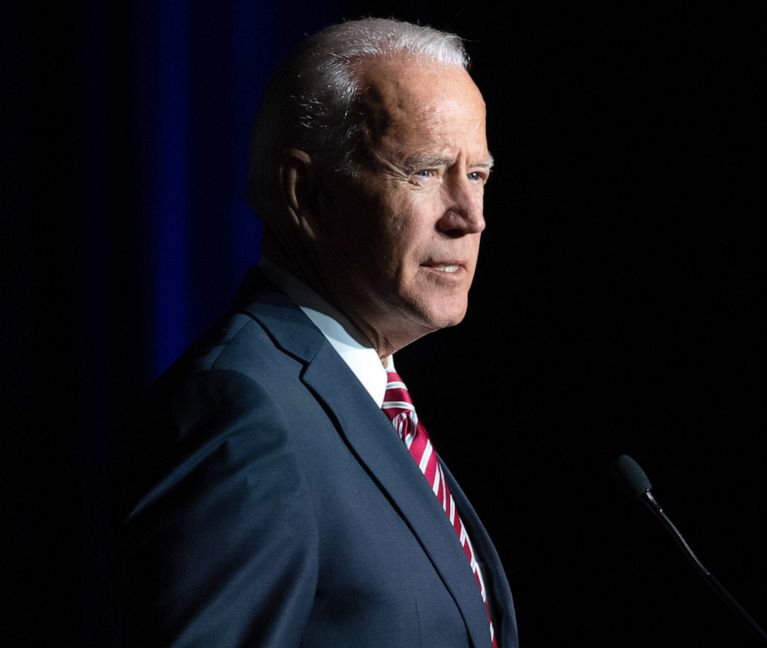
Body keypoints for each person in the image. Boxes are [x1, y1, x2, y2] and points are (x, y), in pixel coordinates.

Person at [115, 17, 517, 647]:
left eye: (477, 175)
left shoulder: (371, 398)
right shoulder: (242, 412)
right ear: (307, 194)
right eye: (425, 170)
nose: (470, 218)